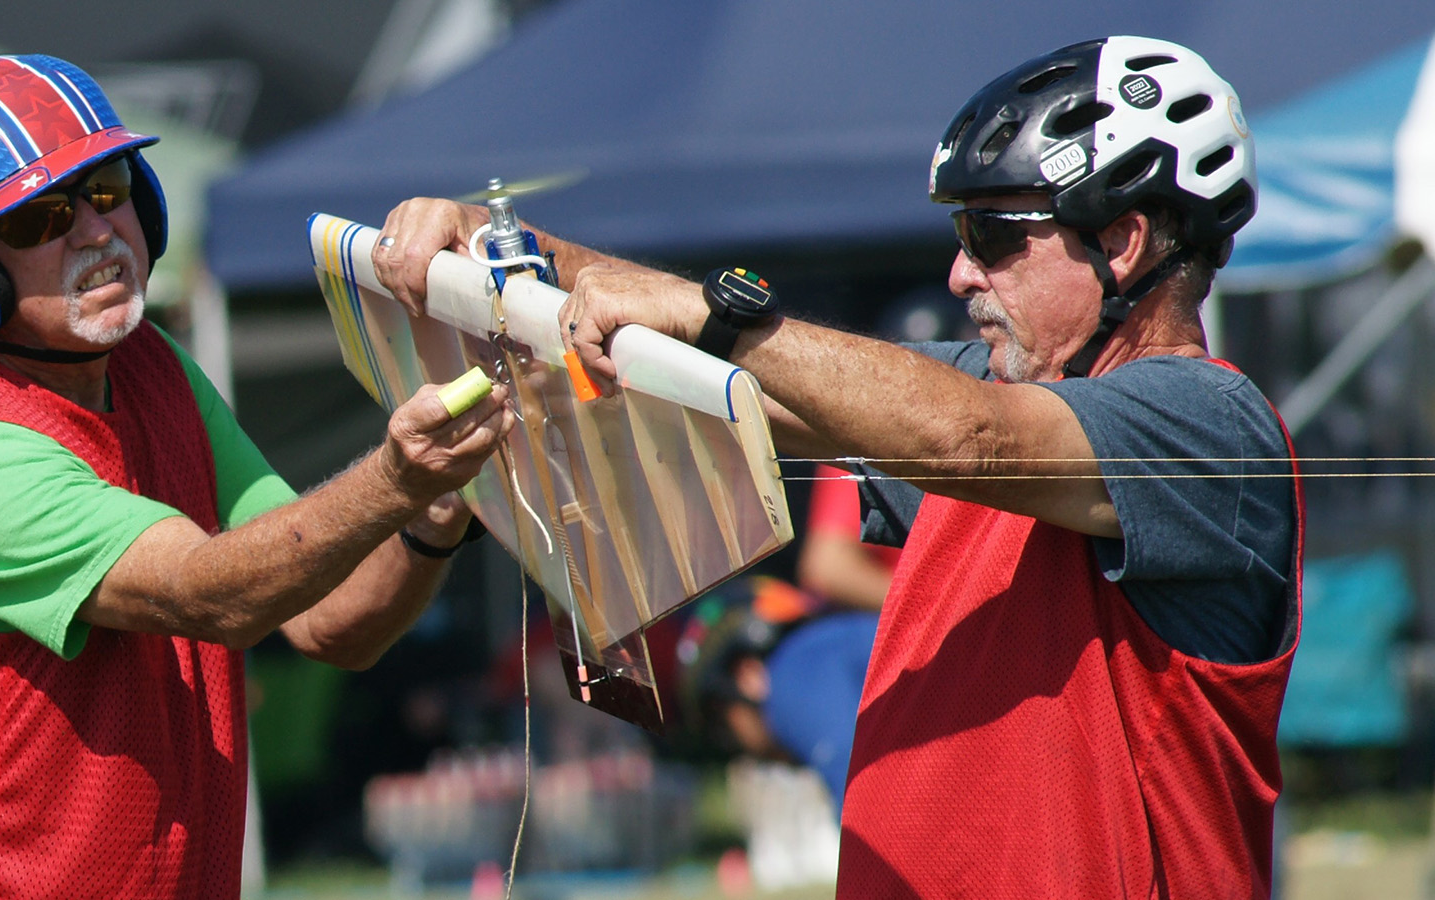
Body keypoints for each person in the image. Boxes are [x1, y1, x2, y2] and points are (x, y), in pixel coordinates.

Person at [375, 36, 1300, 899]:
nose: (960, 276)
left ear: (1126, 242)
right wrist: (519, 256)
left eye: (992, 238)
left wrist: (710, 311)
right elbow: (730, 384)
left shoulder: (1208, 422)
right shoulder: (987, 392)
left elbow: (969, 436)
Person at [0, 55, 512, 899]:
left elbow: (334, 623)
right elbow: (211, 596)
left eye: (107, 187)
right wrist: (391, 480)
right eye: (40, 217)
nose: (94, 230)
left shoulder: (150, 364)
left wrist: (436, 509)